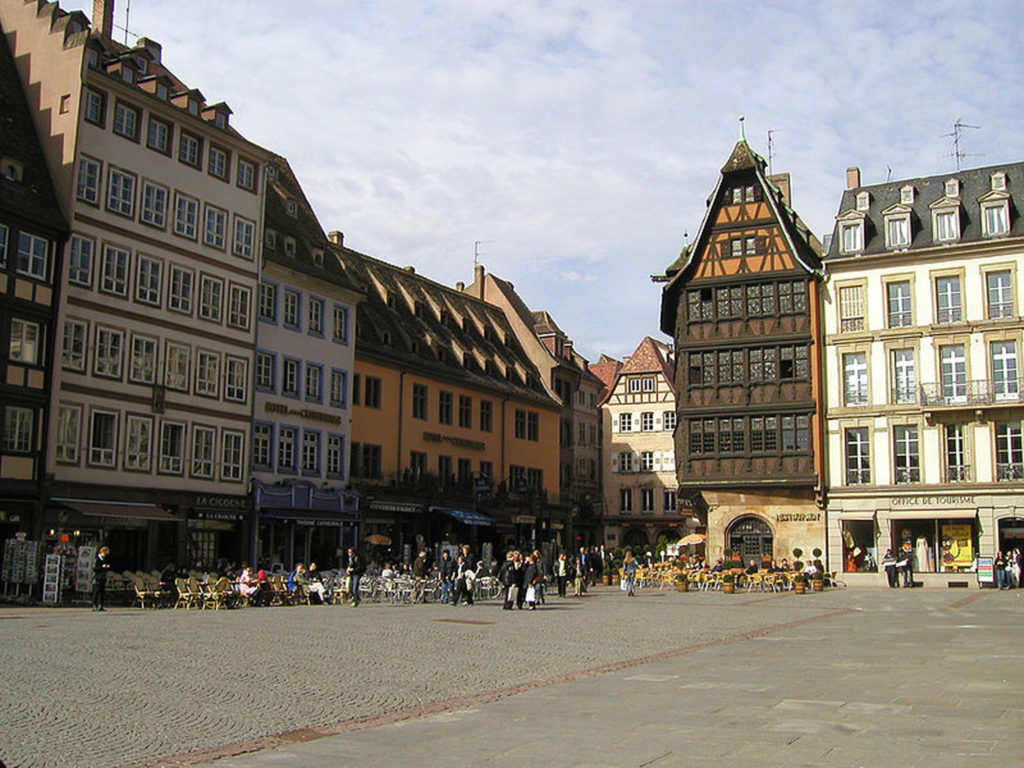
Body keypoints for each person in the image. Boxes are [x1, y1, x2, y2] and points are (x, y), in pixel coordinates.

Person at [92, 546, 111, 611]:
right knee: (96, 591)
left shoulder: (104, 559)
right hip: (98, 577)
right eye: (105, 554)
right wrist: (102, 567)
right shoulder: (97, 559)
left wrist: (106, 567)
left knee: (102, 592)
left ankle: (101, 605)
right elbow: (94, 568)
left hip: (103, 577)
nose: (105, 556)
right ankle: (94, 605)